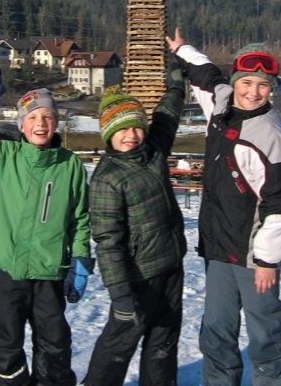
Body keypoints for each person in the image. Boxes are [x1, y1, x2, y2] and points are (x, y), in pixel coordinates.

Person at [166, 29, 281, 386]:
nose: (253, 92)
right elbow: (206, 73)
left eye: (263, 85)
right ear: (236, 80)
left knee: (264, 335)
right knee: (216, 332)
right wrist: (182, 49)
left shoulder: (273, 134)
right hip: (219, 249)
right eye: (247, 82)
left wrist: (267, 261)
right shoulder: (224, 103)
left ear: (272, 88)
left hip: (253, 256)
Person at [0, 65, 93, 386]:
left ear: (57, 122)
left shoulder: (69, 165)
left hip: (49, 270)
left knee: (55, 344)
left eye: (47, 117)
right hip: (6, 270)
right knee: (6, 343)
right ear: (21, 124)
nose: (40, 124)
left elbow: (80, 218)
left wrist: (81, 259)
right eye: (32, 118)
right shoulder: (1, 155)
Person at [83, 64, 187, 386]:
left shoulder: (153, 151)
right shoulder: (107, 179)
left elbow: (166, 117)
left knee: (163, 342)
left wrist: (176, 87)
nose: (130, 136)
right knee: (119, 344)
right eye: (121, 130)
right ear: (108, 134)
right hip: (137, 277)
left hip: (170, 267)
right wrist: (119, 293)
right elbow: (107, 241)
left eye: (136, 128)